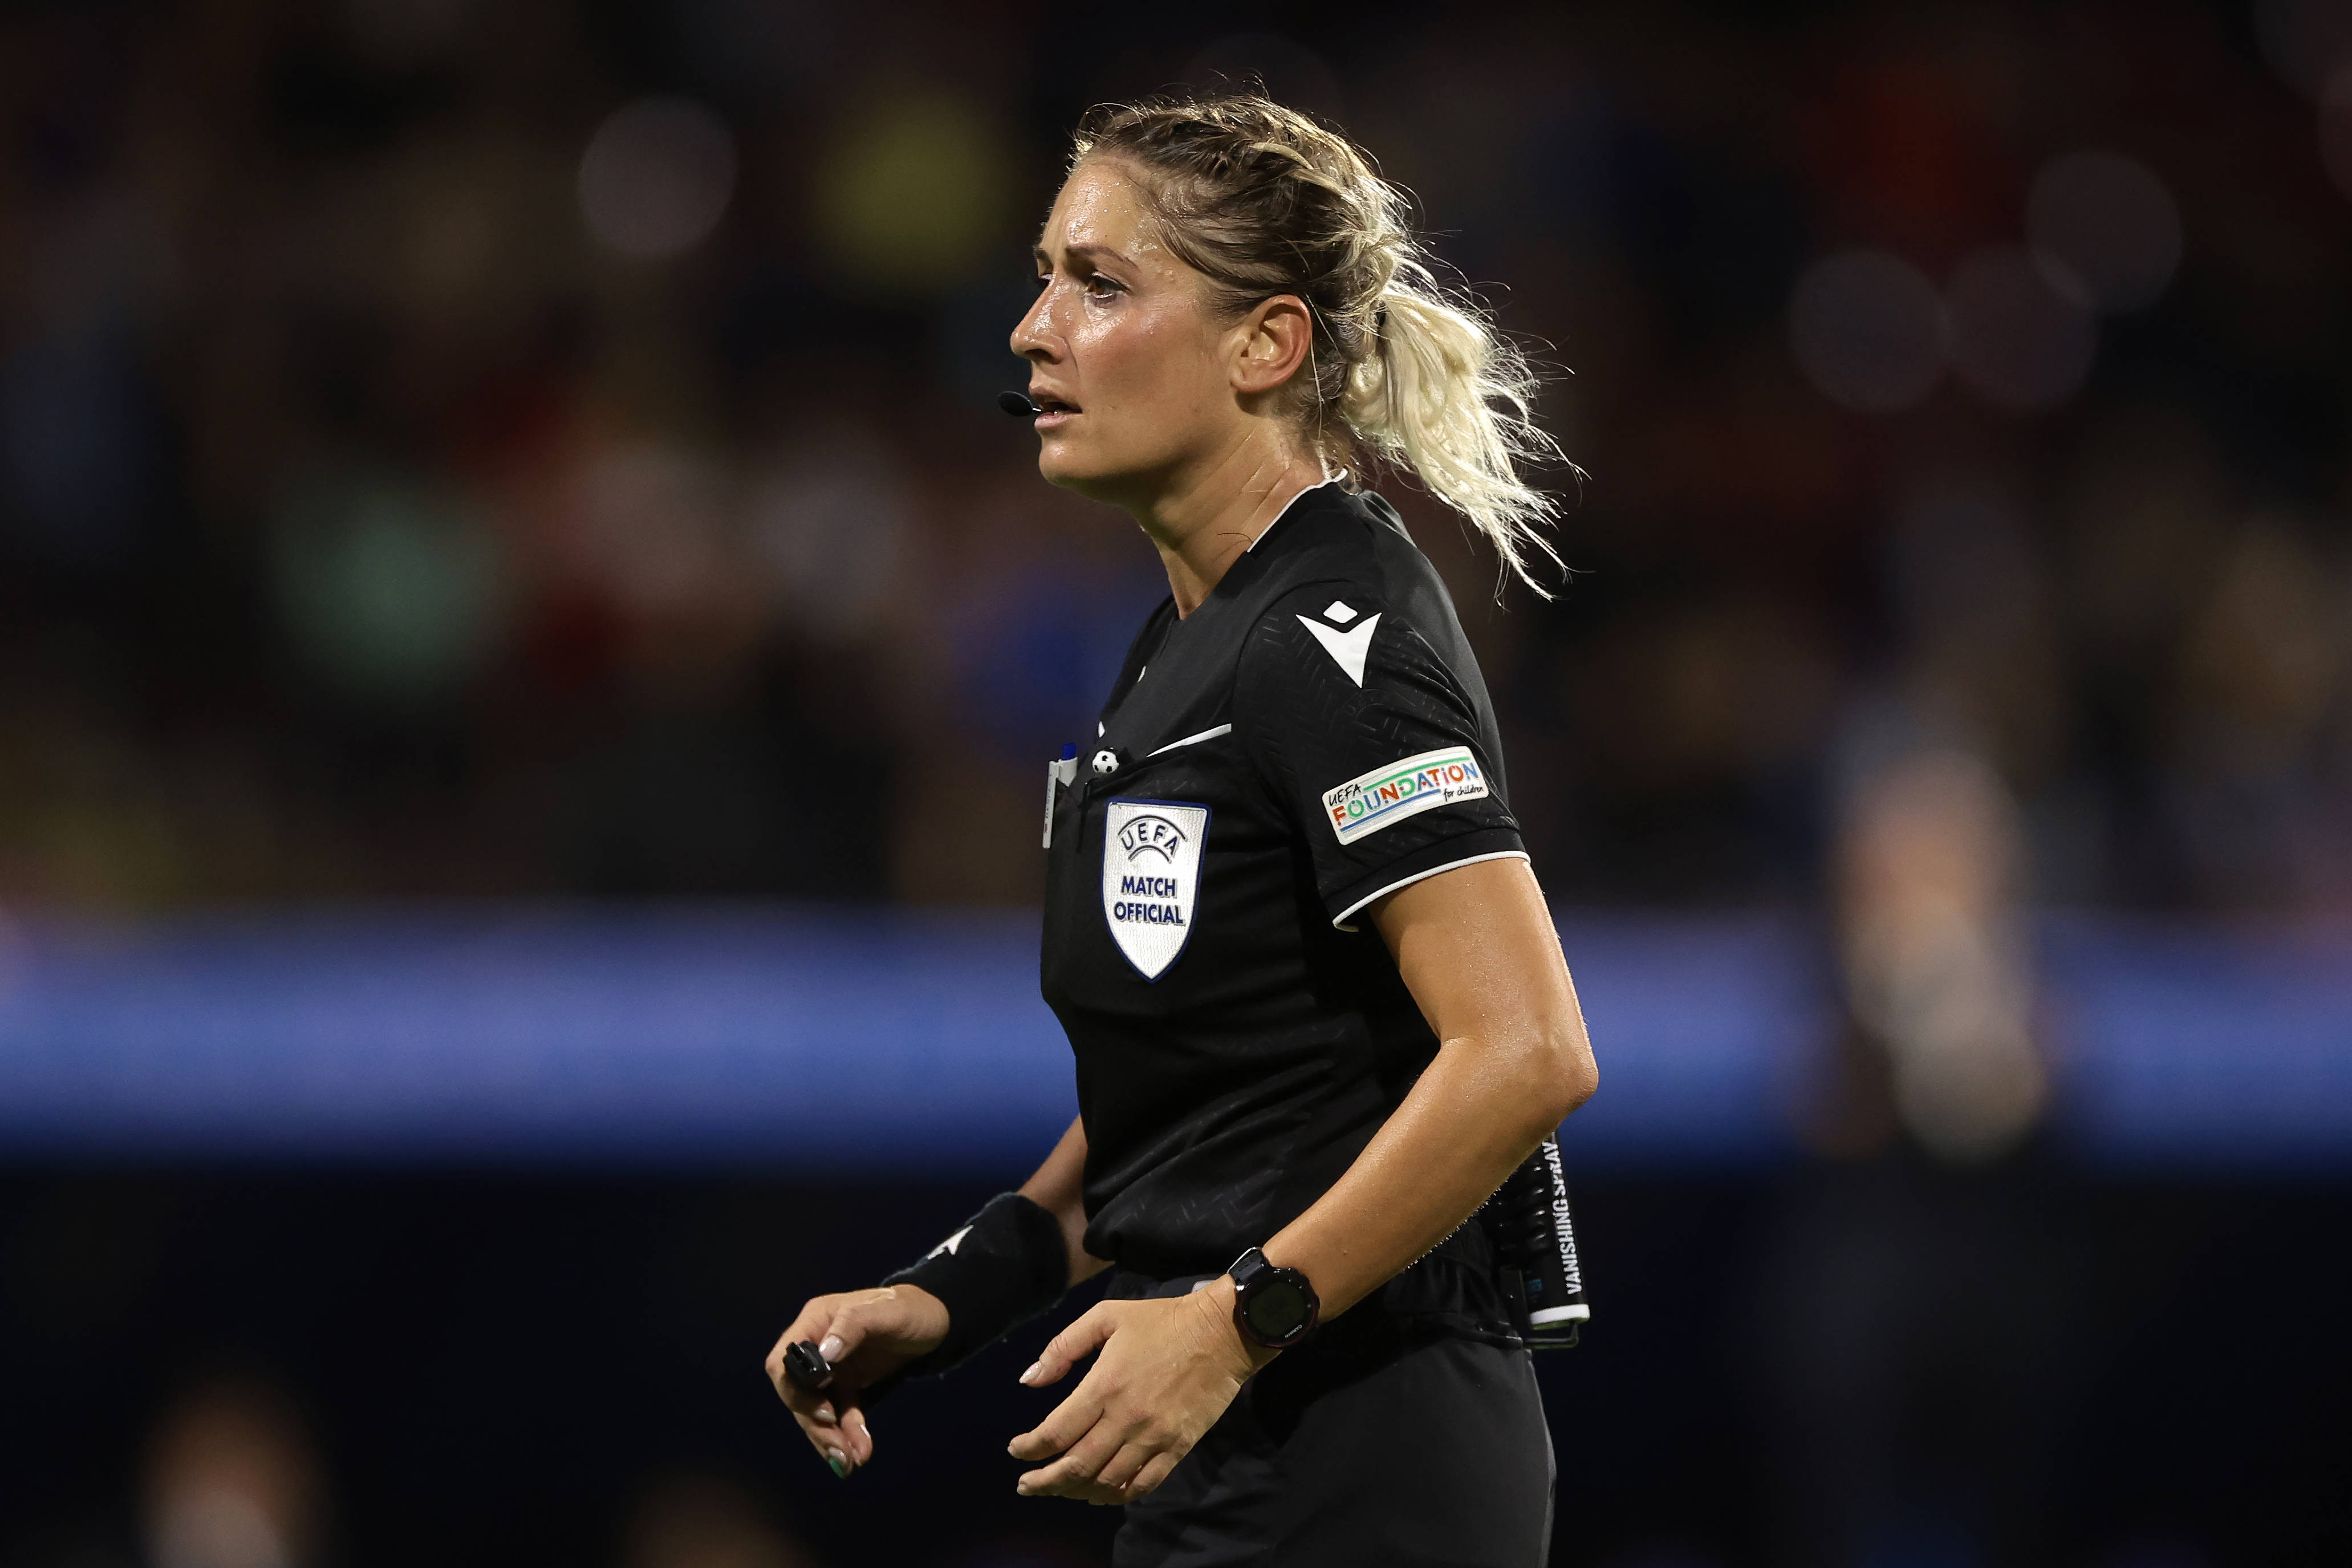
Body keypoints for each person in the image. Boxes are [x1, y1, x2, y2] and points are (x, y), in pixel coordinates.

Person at [766, 92, 1598, 1567]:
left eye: (1099, 283)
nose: (1034, 331)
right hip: (1231, 1442)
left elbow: (1527, 1050)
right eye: (1045, 278)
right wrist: (960, 1286)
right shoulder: (1183, 647)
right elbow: (1212, 1094)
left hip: (1366, 1449)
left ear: (1265, 345)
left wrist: (1233, 1323)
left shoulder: (1333, 641)